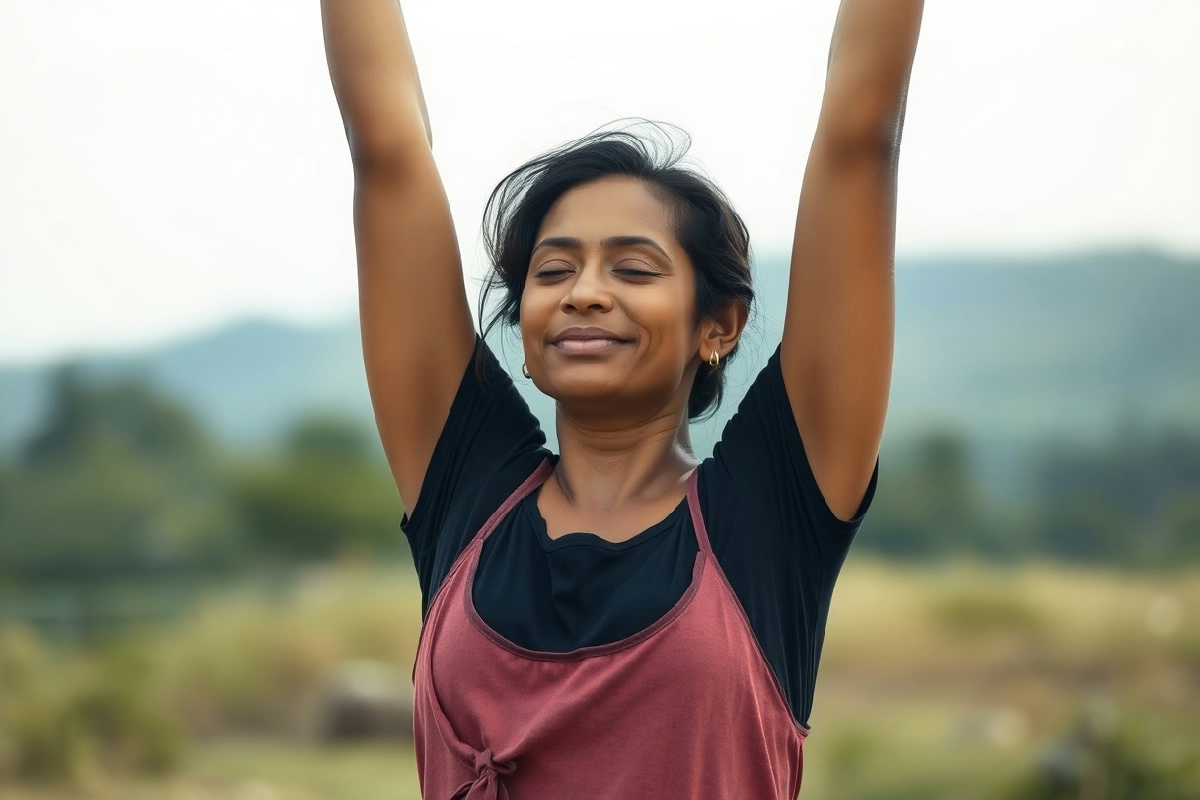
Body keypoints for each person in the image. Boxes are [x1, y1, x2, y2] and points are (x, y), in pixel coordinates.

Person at [321, 1, 922, 797]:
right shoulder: (468, 491)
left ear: (720, 326)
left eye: (633, 270)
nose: (585, 294)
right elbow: (388, 154)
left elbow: (858, 142)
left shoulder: (770, 517)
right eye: (553, 270)